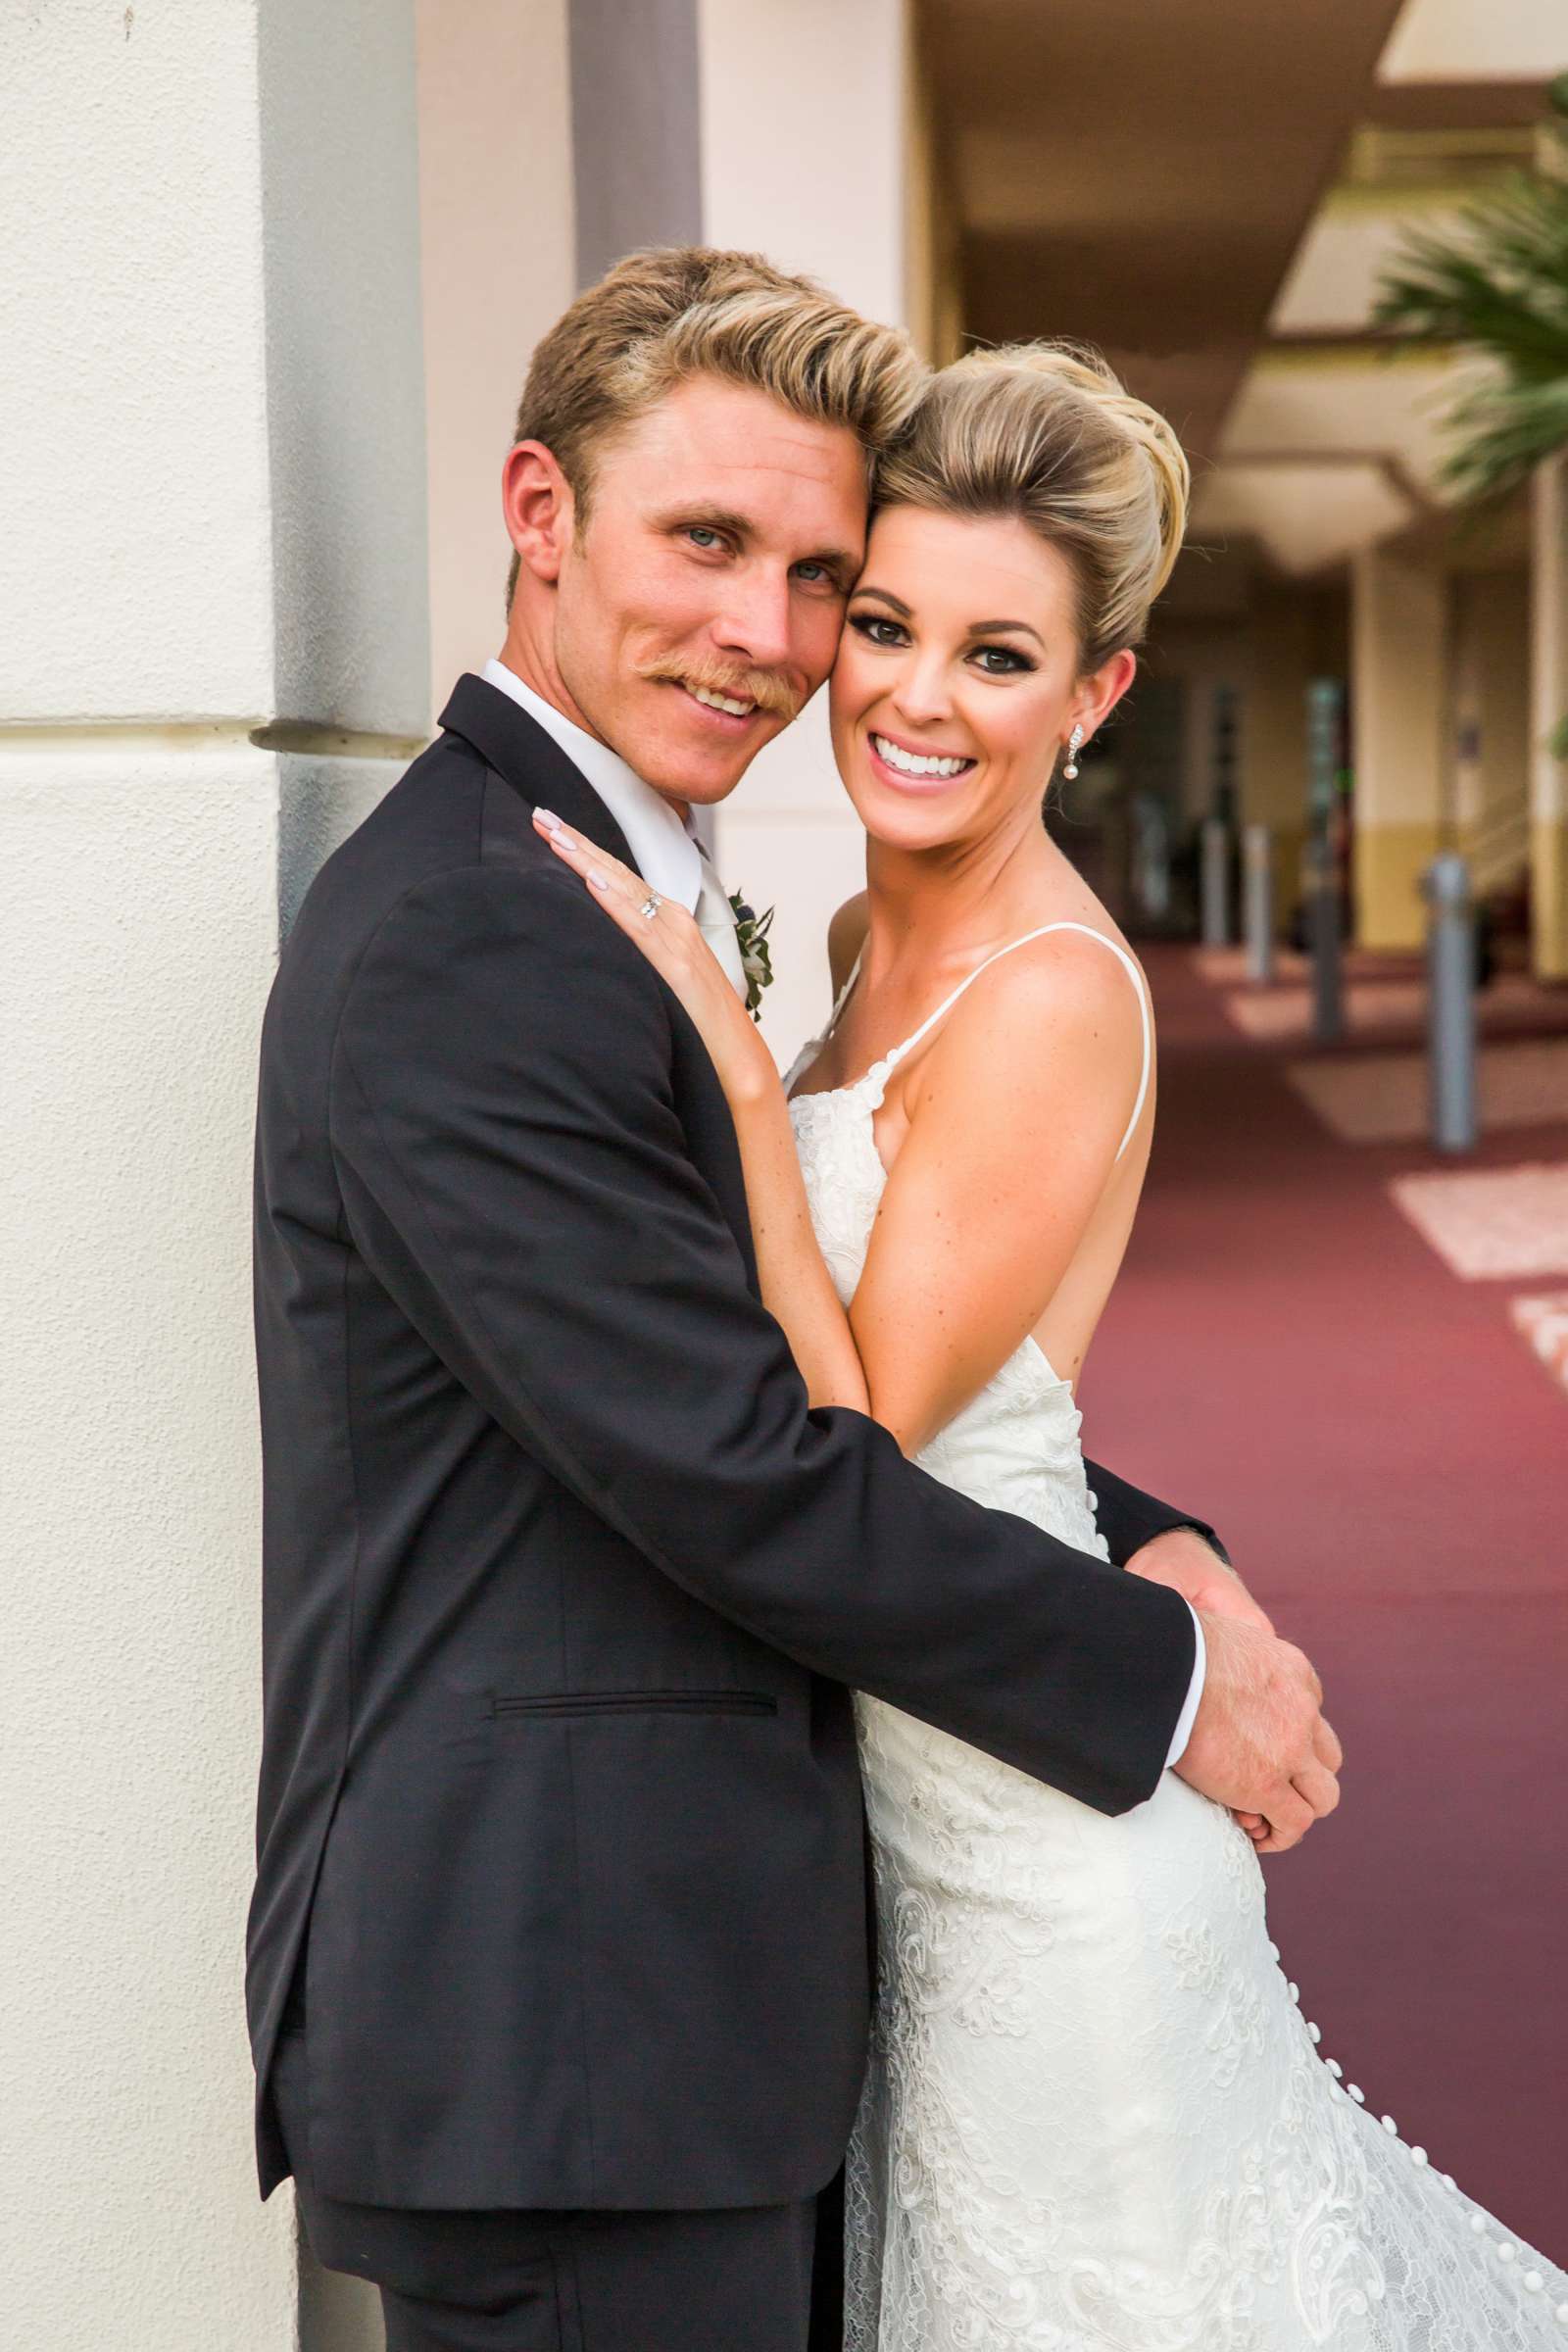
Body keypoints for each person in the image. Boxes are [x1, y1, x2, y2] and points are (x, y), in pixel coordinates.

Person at [248, 249, 1338, 2352]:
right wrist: (1164, 1673)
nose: (765, 637)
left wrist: (1148, 1529)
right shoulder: (478, 937)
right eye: (703, 541)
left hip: (681, 2010)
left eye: (812, 571)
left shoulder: (642, 884)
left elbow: (773, 1369)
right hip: (564, 2027)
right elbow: (743, 1464)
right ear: (538, 514)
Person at [543, 338, 1568, 2346]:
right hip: (922, 1850)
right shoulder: (855, 940)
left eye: (996, 656)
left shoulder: (1043, 999)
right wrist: (1157, 1541)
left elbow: (841, 1442)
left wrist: (738, 1092)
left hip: (1048, 1873)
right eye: (887, 625)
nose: (914, 698)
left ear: (1093, 692)